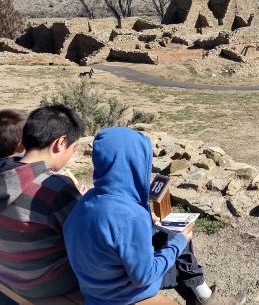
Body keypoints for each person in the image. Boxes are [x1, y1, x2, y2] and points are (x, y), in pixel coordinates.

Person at [64, 127, 245, 305]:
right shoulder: (131, 216)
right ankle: (205, 299)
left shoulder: (88, 201)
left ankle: (203, 298)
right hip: (123, 295)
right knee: (179, 249)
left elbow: (113, 235)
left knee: (173, 243)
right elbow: (144, 276)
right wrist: (179, 242)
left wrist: (149, 224)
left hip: (97, 289)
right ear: (133, 163)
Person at [0, 105, 85, 298]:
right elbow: (85, 239)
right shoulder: (56, 186)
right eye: (73, 147)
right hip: (43, 284)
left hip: (7, 274)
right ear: (61, 142)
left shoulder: (5, 172)